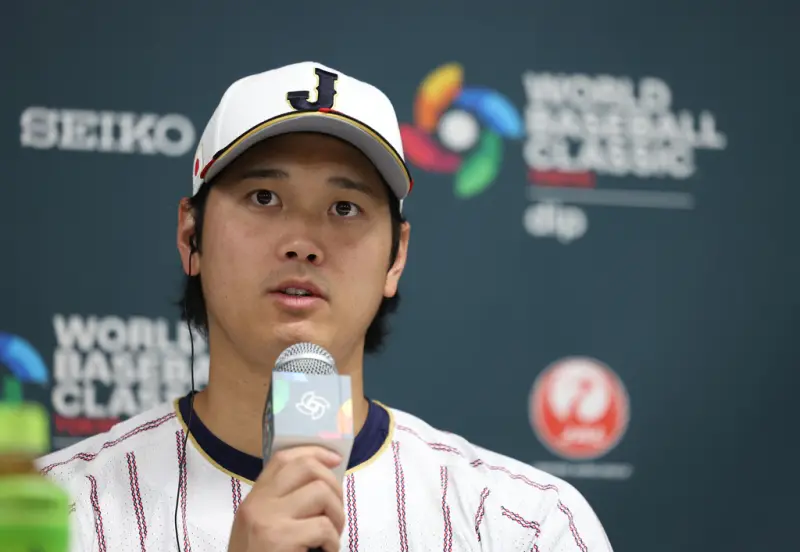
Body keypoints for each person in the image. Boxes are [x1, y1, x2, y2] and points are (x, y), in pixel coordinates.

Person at [36, 61, 614, 552]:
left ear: (396, 257)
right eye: (265, 197)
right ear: (192, 235)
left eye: (344, 208)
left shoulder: (522, 525)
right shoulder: (59, 514)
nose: (302, 243)